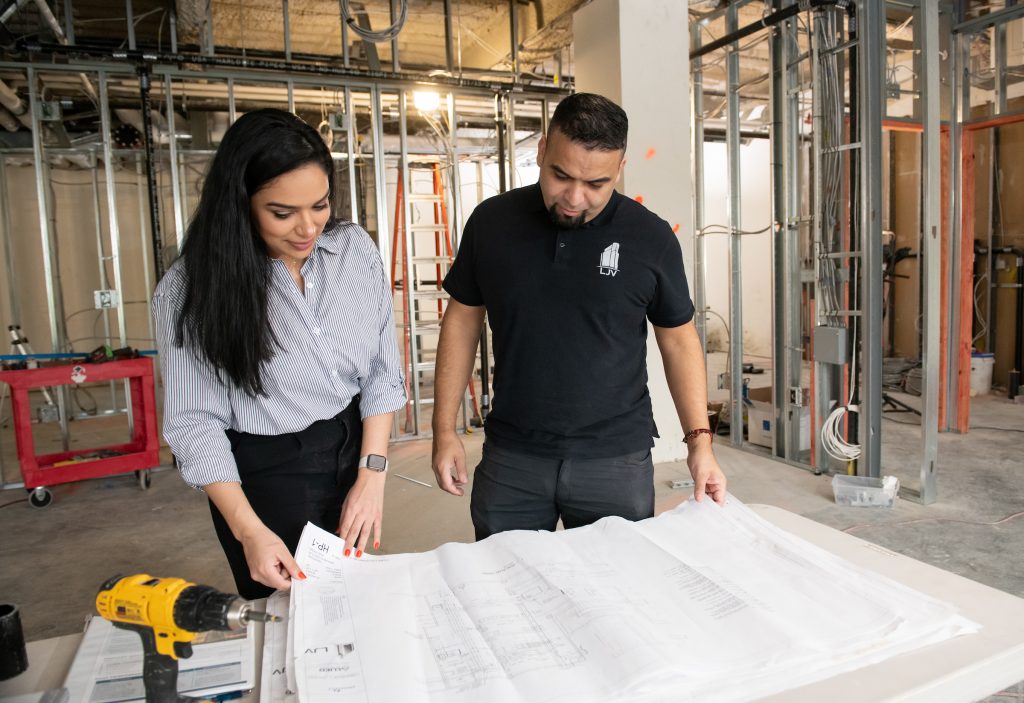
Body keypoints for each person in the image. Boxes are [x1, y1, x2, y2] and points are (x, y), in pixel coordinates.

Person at [431, 93, 726, 540]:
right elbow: (462, 321)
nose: (574, 197)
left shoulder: (651, 238)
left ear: (620, 168)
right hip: (513, 455)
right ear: (543, 147)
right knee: (509, 591)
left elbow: (679, 340)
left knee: (615, 594)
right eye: (560, 175)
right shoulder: (492, 223)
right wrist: (443, 428)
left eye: (596, 184)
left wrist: (700, 444)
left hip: (616, 461)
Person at [154, 109, 405, 598]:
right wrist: (249, 531)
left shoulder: (353, 252)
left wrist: (372, 474)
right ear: (240, 204)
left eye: (319, 205)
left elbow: (380, 371)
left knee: (348, 601)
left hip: (353, 443)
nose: (307, 228)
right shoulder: (191, 291)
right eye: (282, 213)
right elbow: (194, 423)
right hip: (266, 472)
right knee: (288, 617)